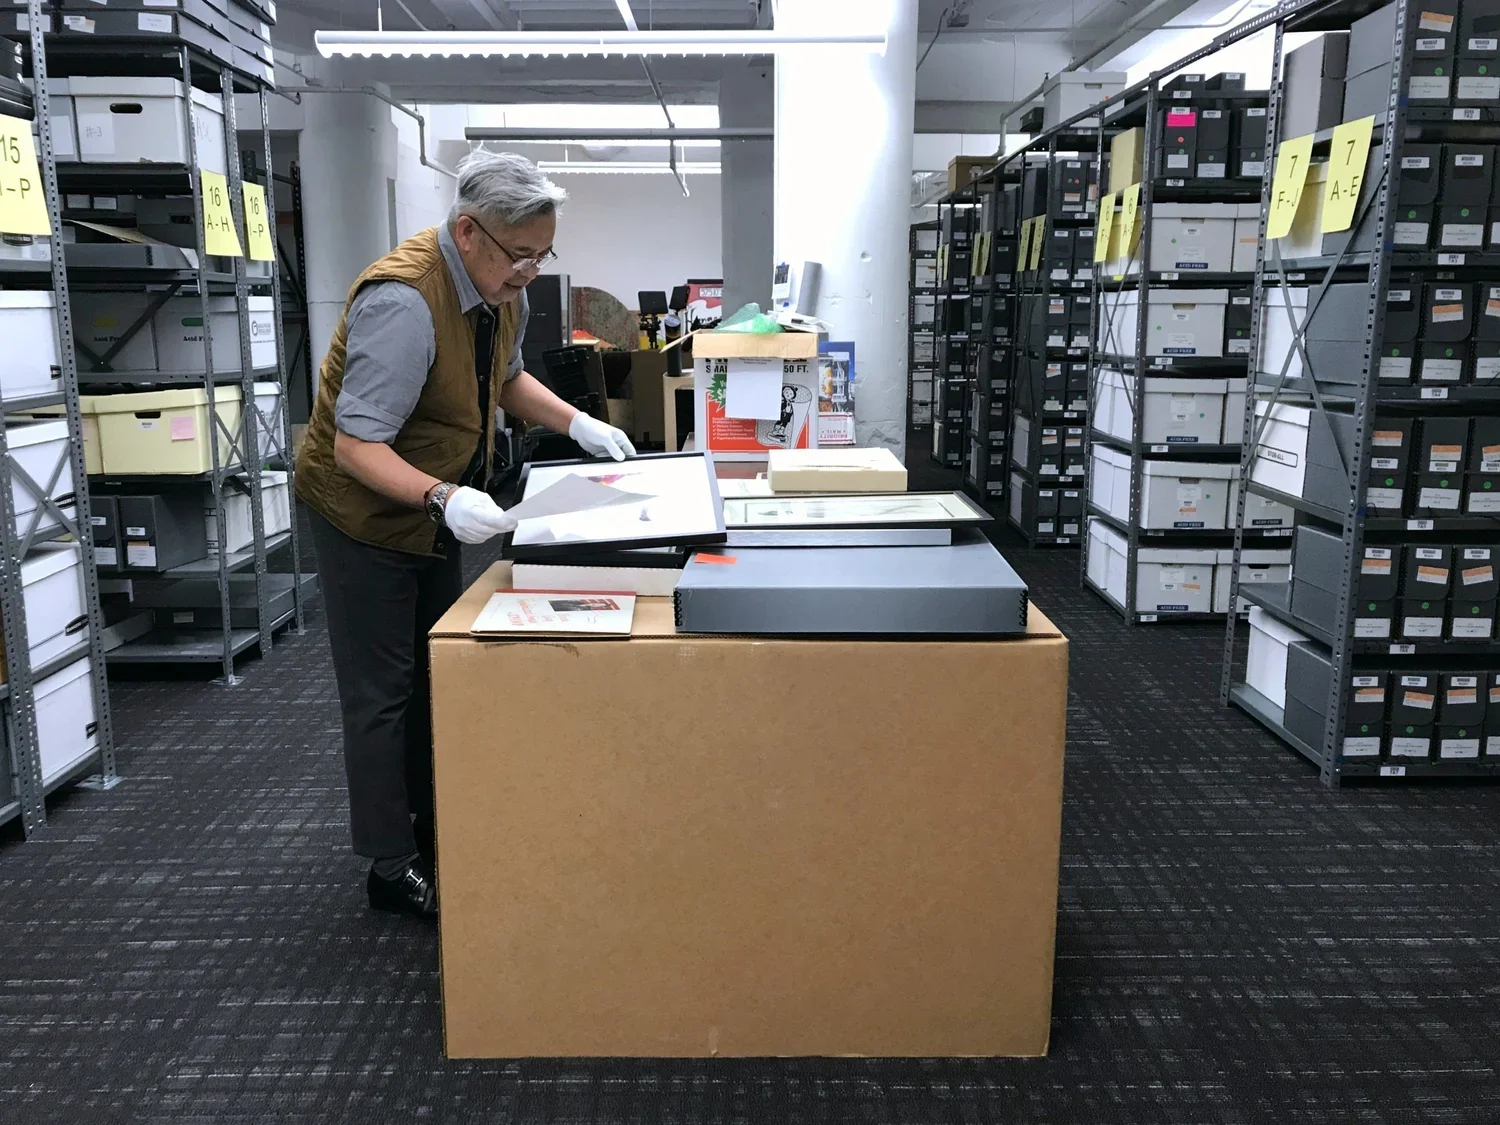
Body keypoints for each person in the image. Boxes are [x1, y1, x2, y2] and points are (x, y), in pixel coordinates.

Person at [295, 151, 636, 920]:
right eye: (521, 255)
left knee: (432, 665)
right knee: (383, 690)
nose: (531, 270)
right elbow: (355, 445)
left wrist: (577, 422)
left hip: (436, 500)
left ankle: (427, 821)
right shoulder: (404, 302)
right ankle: (388, 864)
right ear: (467, 232)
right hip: (365, 512)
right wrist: (444, 497)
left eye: (544, 254)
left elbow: (505, 377)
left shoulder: (499, 284)